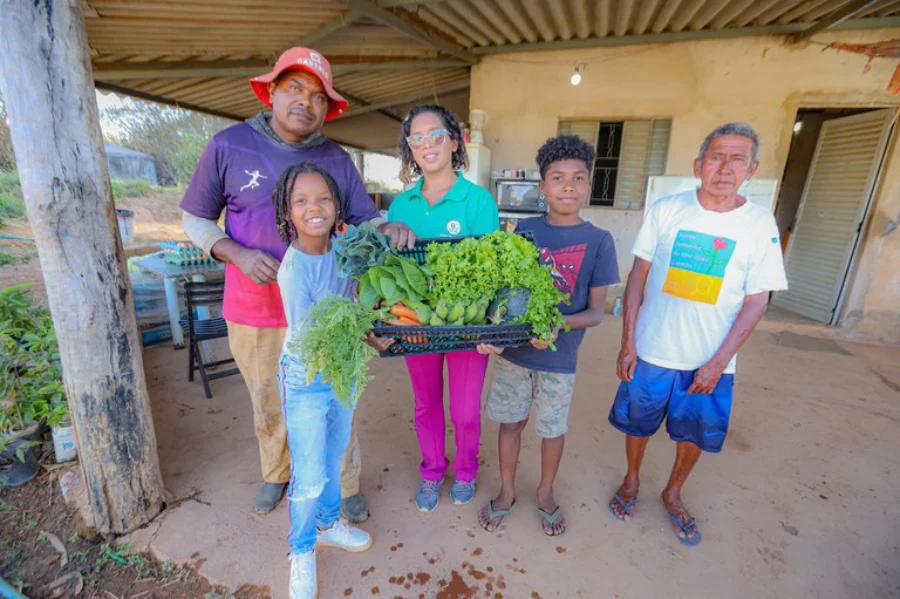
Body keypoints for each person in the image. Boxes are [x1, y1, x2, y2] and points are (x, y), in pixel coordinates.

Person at [180, 47, 415, 517]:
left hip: (328, 310)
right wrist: (238, 254)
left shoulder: (336, 158)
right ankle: (277, 474)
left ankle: (345, 483)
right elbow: (194, 218)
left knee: (335, 399)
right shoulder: (228, 145)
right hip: (254, 308)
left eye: (317, 96)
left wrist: (388, 227)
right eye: (294, 88)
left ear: (327, 109)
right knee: (270, 401)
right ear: (271, 90)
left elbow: (362, 223)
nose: (305, 101)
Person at [608, 123, 788, 546]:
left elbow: (757, 300)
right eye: (716, 157)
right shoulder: (668, 210)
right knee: (639, 422)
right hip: (653, 349)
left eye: (737, 158)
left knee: (693, 434)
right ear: (698, 165)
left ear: (752, 168)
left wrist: (718, 362)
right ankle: (632, 479)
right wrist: (628, 342)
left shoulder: (760, 224)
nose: (725, 167)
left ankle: (673, 491)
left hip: (711, 359)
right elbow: (638, 274)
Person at [476, 135, 620, 536]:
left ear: (589, 184)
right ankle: (506, 490)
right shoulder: (525, 230)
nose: (568, 185)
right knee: (510, 424)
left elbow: (595, 313)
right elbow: (506, 292)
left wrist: (559, 324)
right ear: (543, 187)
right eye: (558, 177)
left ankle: (544, 490)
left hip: (560, 359)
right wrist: (495, 331)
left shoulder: (599, 242)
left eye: (578, 178)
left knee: (552, 429)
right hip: (515, 356)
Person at [272, 161, 385, 599]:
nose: (313, 207)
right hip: (307, 373)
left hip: (344, 369)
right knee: (309, 471)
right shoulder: (294, 269)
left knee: (336, 453)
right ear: (287, 213)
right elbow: (317, 337)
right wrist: (367, 334)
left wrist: (377, 324)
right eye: (301, 200)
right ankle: (300, 550)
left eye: (322, 198)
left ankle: (328, 523)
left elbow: (361, 297)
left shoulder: (346, 251)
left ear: (338, 207)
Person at [387, 104, 499, 511]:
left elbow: (490, 270)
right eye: (417, 139)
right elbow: (394, 270)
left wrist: (489, 325)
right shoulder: (401, 206)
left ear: (455, 142)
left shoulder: (478, 201)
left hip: (466, 322)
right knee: (426, 403)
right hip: (418, 322)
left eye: (436, 135)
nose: (427, 145)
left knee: (466, 411)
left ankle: (466, 469)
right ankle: (433, 470)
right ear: (410, 151)